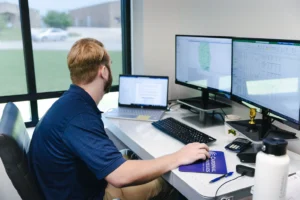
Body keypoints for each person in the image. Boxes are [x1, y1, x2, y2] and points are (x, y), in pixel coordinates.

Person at [28, 38, 210, 200]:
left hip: (72, 187)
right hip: (92, 194)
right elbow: (120, 176)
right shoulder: (79, 117)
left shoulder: (71, 104)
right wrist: (178, 156)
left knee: (137, 159)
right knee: (167, 182)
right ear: (104, 71)